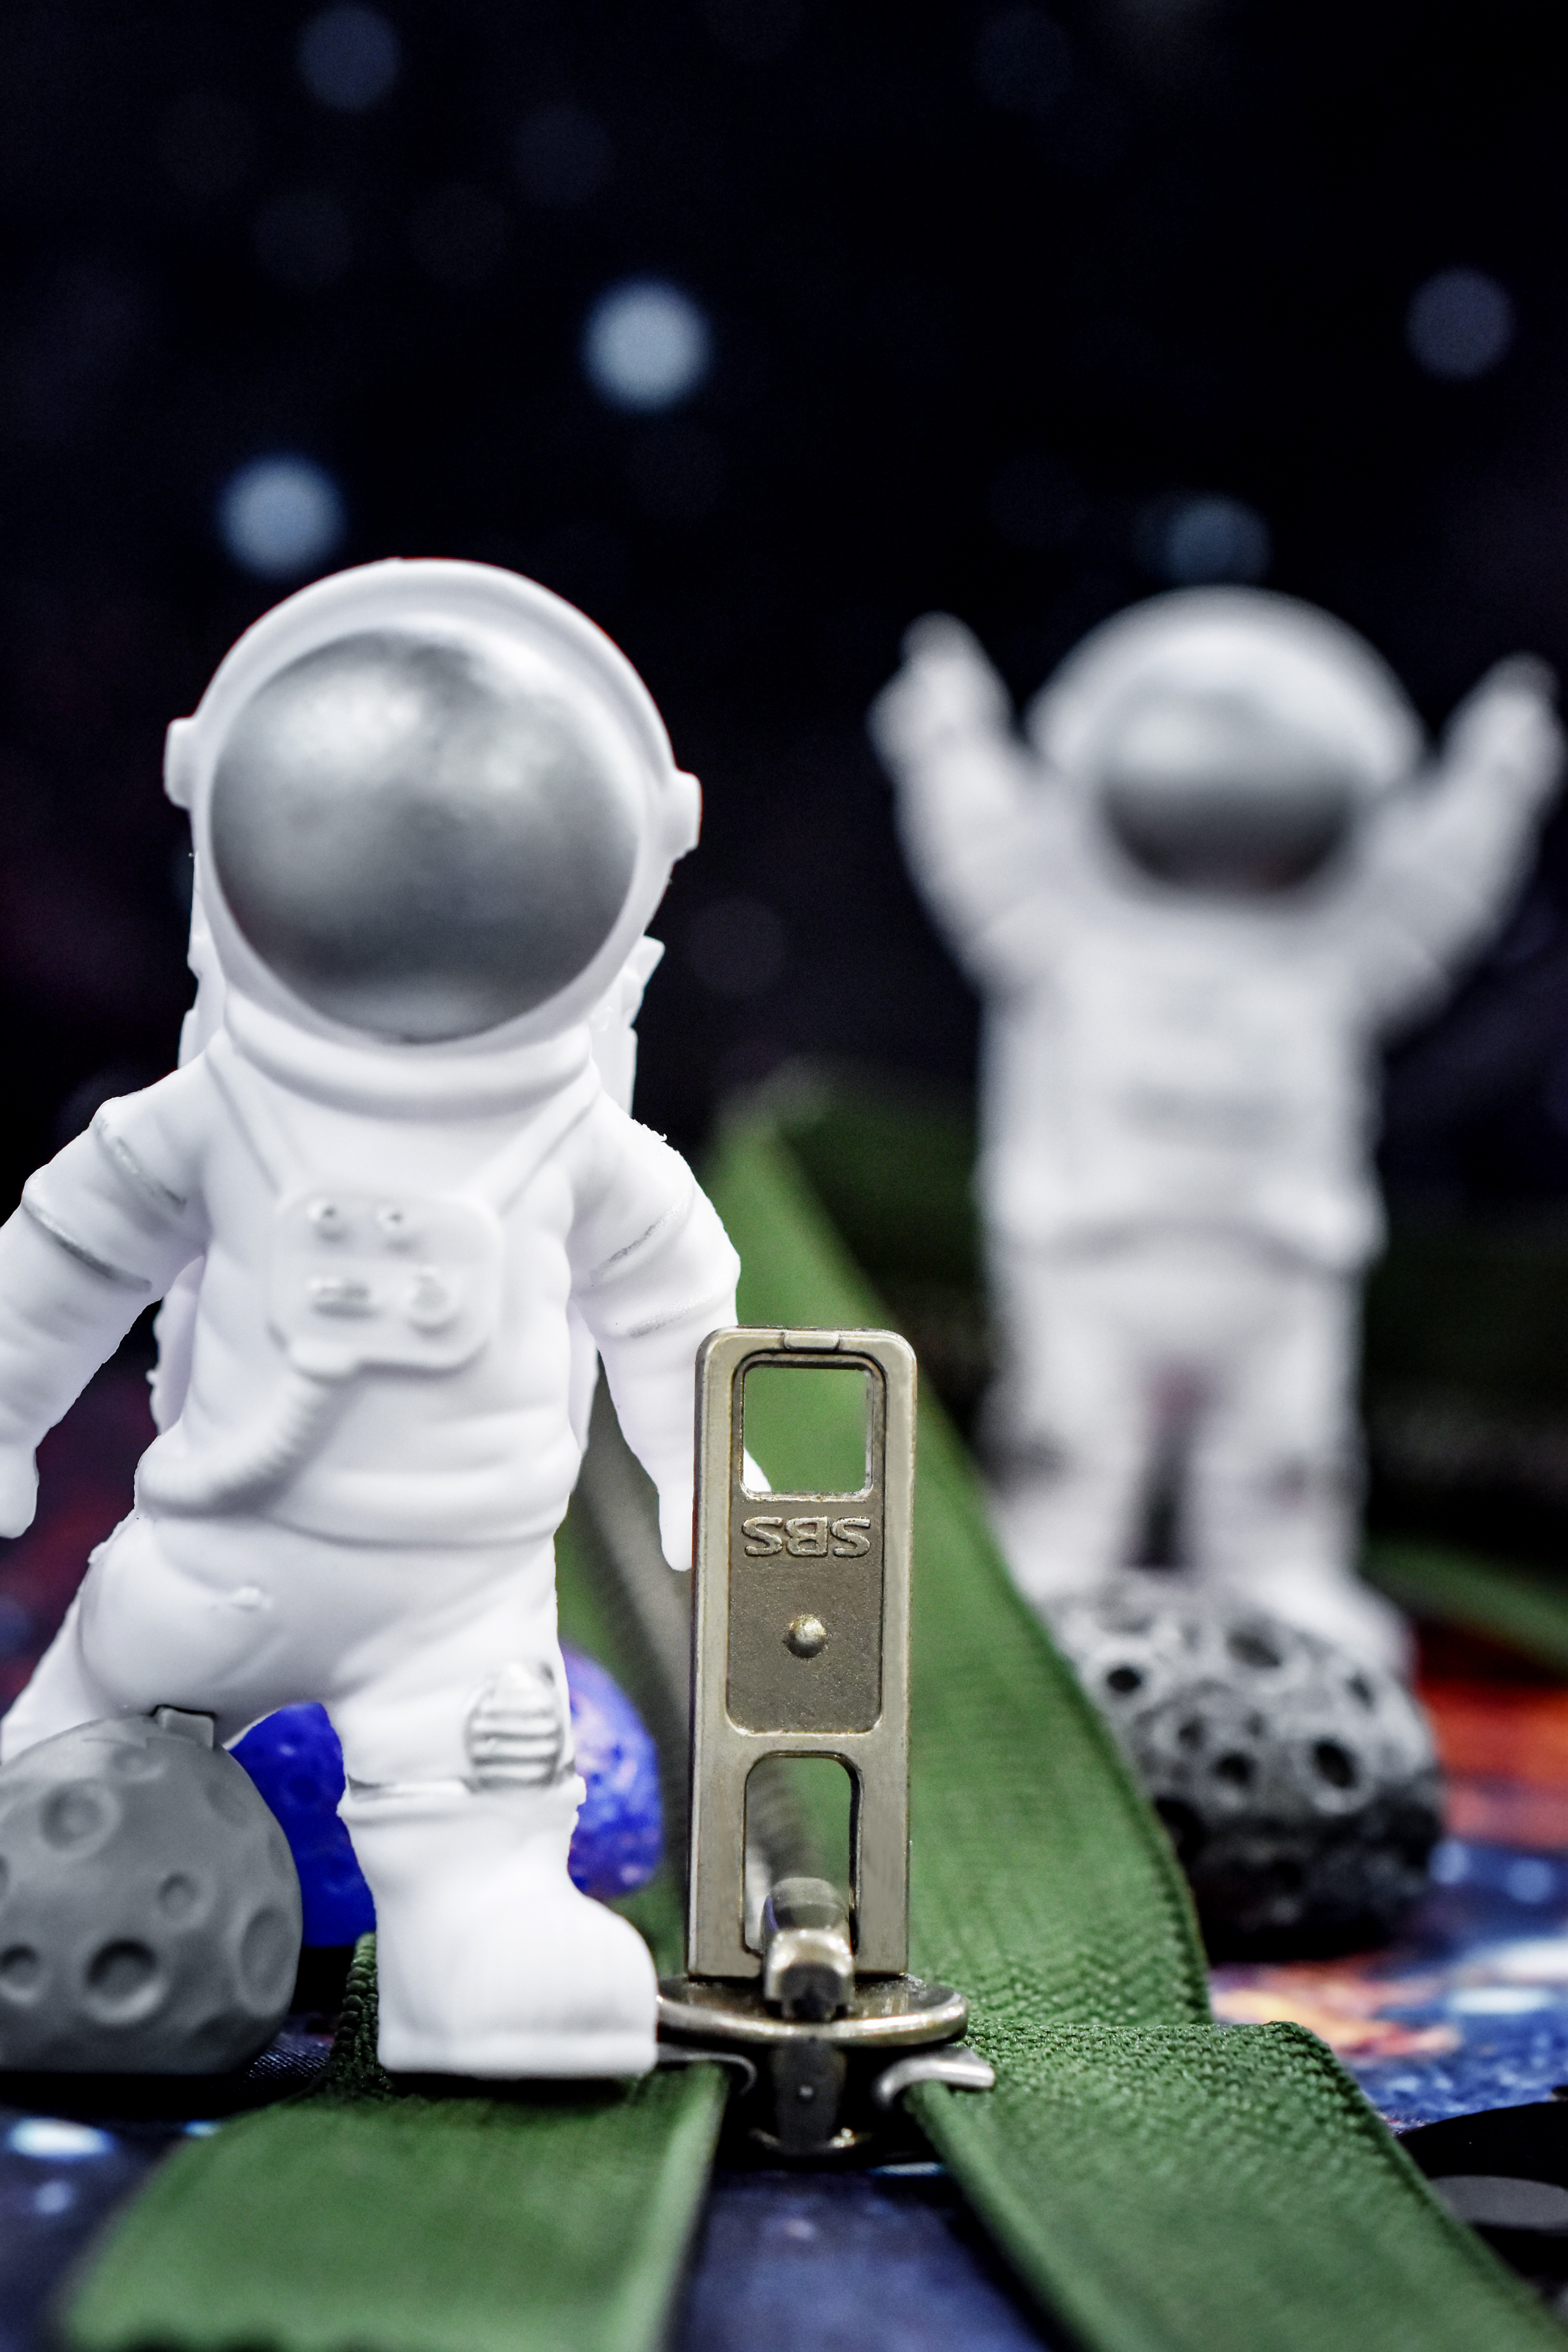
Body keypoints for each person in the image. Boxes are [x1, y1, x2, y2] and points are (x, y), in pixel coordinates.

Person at [0, 558, 739, 2078]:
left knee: (479, 1831)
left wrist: (702, 1481)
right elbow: (65, 1253)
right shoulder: (221, 1110)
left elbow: (679, 1310)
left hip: (455, 1602)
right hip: (212, 1554)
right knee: (65, 1749)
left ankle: (482, 1964)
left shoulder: (575, 1145)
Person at [871, 587, 1563, 1668]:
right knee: (1073, 1442)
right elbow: (980, 850)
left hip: (1276, 1264)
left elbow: (1437, 895)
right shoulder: (1064, 928)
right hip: (1098, 1254)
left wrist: (1495, 781)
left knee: (1281, 1452)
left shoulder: (1340, 950)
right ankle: (1054, 1572)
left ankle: (1281, 1580)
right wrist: (947, 740)